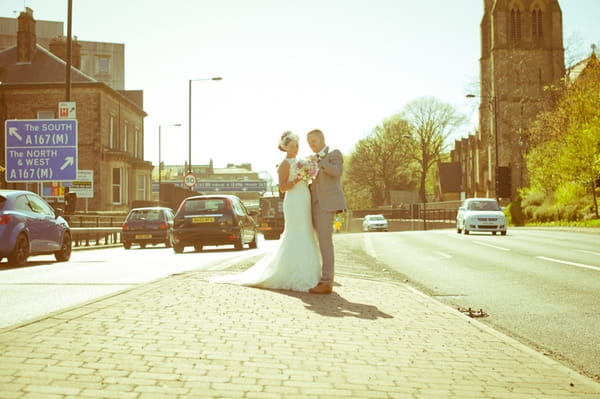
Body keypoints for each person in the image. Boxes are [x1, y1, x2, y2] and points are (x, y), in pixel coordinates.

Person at [209, 131, 321, 292]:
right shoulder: (284, 165)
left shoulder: (302, 162)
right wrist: (298, 178)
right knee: (296, 233)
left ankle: (311, 272)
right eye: (292, 146)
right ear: (284, 147)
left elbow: (308, 177)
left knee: (306, 231)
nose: (295, 148)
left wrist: (308, 174)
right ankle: (292, 272)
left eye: (297, 145)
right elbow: (282, 187)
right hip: (294, 200)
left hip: (305, 198)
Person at [306, 129, 346, 294]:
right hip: (311, 205)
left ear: (322, 139)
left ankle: (327, 281)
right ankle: (317, 276)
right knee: (312, 242)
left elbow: (337, 172)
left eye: (314, 141)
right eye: (309, 142)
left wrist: (320, 161)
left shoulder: (334, 154)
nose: (311, 144)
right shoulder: (310, 159)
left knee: (325, 242)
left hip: (326, 205)